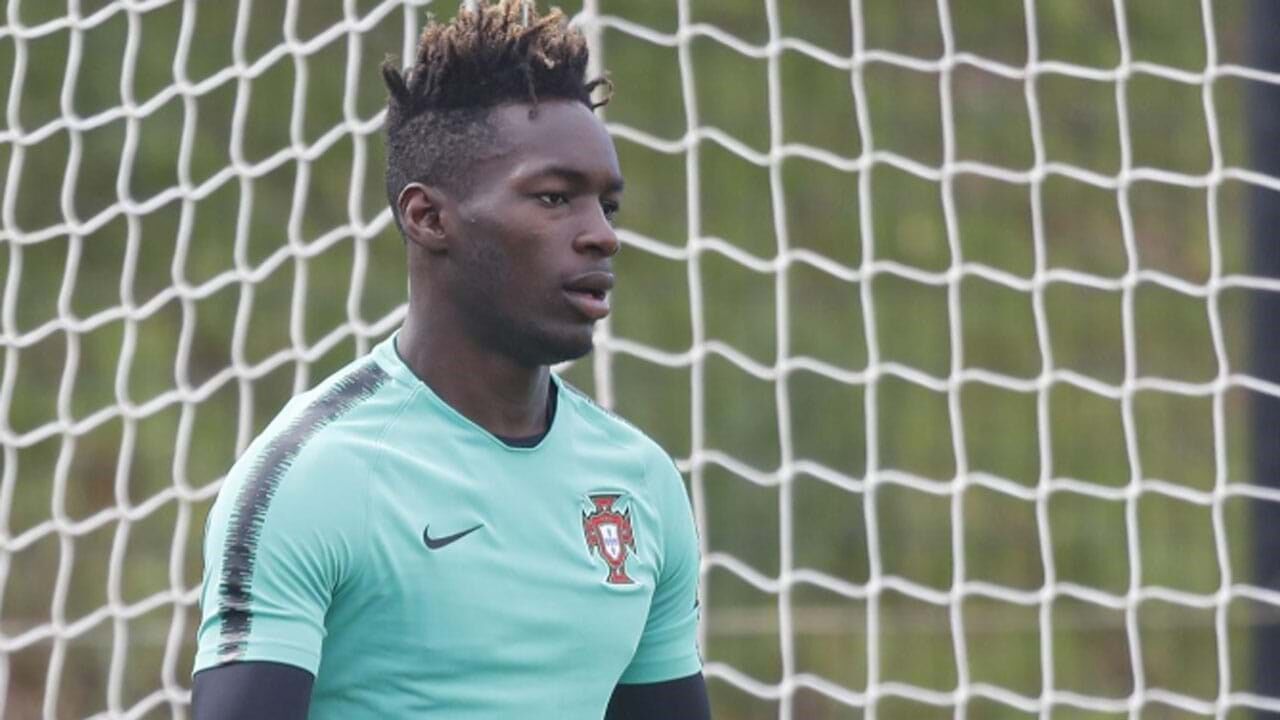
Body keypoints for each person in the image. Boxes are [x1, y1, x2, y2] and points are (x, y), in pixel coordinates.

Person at [189, 1, 710, 718]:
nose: (602, 235)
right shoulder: (315, 477)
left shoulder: (639, 482)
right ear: (428, 217)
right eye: (555, 198)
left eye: (607, 206)